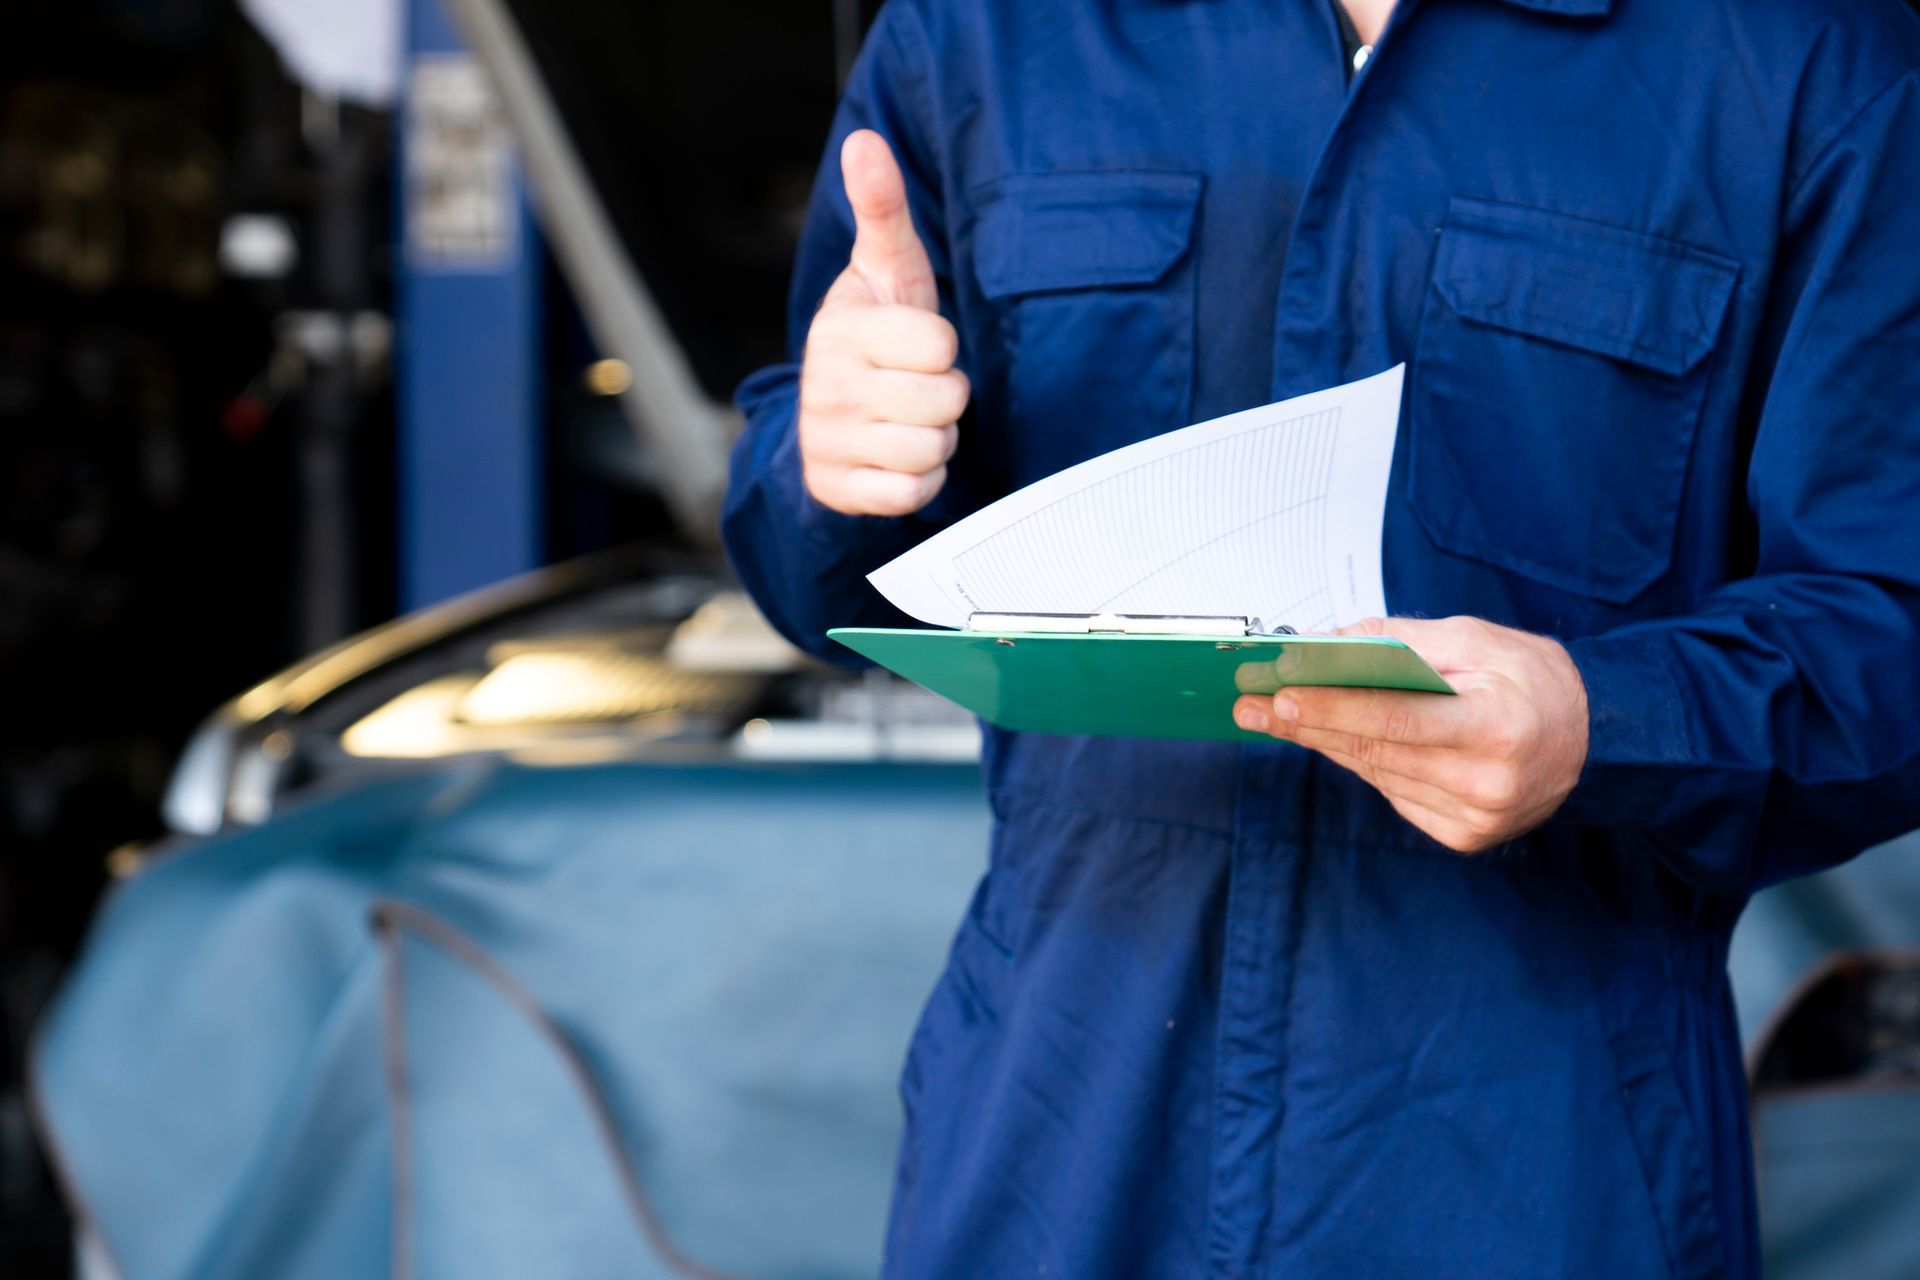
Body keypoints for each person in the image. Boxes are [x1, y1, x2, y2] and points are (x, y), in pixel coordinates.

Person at [722, 0, 1920, 1275]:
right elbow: (823, 562)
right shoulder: (989, 34)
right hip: (1060, 1132)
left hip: (1540, 1159)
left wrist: (1599, 721)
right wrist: (831, 463)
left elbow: (1888, 620)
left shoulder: (1798, 59)